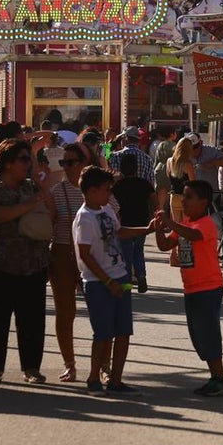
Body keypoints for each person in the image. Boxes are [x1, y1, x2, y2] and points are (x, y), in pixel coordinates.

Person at [0, 139, 54, 385]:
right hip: (1, 263)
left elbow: (52, 214)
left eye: (28, 159)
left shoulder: (31, 187)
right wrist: (28, 205)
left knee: (32, 319)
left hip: (34, 262)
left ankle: (31, 367)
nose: (27, 164)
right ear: (7, 163)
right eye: (23, 159)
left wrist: (41, 186)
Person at [73, 166, 155, 396]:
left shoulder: (107, 209)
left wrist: (146, 230)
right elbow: (85, 254)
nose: (109, 194)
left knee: (123, 332)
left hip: (119, 276)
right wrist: (107, 281)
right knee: (103, 334)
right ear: (91, 191)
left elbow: (119, 232)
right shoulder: (84, 218)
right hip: (99, 283)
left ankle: (116, 379)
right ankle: (93, 377)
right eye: (106, 190)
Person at [153, 180, 223, 397]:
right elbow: (165, 245)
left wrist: (170, 221)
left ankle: (220, 377)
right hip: (191, 288)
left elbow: (193, 236)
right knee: (198, 335)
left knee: (208, 333)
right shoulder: (186, 223)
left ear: (203, 202)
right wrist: (160, 229)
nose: (183, 201)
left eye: (188, 197)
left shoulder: (205, 224)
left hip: (209, 287)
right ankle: (215, 376)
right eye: (183, 196)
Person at [49, 143, 90, 382]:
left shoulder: (99, 188)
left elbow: (114, 219)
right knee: (65, 312)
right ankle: (69, 364)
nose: (65, 167)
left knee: (99, 312)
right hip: (63, 252)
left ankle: (103, 364)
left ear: (83, 163)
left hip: (93, 254)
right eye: (63, 162)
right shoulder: (57, 191)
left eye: (70, 162)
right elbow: (49, 224)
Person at [112, 153, 155, 293]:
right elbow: (154, 200)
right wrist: (154, 213)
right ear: (136, 168)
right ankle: (141, 276)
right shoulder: (144, 184)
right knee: (138, 250)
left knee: (126, 253)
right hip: (142, 222)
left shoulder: (117, 186)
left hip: (124, 222)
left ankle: (128, 282)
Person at [167, 138, 196, 223]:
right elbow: (193, 183)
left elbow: (168, 176)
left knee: (176, 227)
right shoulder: (188, 164)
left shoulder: (169, 161)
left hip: (174, 197)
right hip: (186, 198)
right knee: (186, 227)